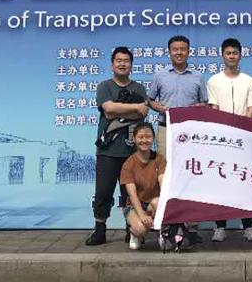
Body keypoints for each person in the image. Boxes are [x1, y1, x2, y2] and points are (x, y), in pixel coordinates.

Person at [86, 46, 149, 247]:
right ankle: (100, 229)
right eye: (118, 60)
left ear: (131, 65)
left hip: (132, 152)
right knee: (103, 191)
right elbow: (108, 109)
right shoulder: (104, 86)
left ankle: (131, 229)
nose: (122, 64)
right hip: (107, 151)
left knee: (130, 194)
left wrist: (122, 110)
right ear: (112, 64)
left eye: (126, 61)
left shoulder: (139, 88)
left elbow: (142, 114)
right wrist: (134, 107)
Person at [207, 37, 252, 242]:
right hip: (222, 139)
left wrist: (242, 129)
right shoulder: (214, 81)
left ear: (240, 55)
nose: (231, 56)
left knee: (245, 182)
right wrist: (225, 131)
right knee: (220, 183)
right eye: (228, 53)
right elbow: (214, 109)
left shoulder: (248, 80)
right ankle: (220, 226)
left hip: (244, 139)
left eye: (235, 53)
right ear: (222, 55)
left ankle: (248, 226)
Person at [148, 35, 208, 158]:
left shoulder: (198, 76)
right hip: (166, 128)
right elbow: (149, 100)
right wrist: (159, 108)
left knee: (189, 162)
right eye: (175, 49)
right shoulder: (160, 75)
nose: (179, 53)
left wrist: (199, 107)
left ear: (188, 52)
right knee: (164, 164)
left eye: (183, 49)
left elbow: (205, 103)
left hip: (190, 129)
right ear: (169, 52)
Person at [120, 122, 170, 250]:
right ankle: (135, 234)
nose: (144, 140)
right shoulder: (128, 164)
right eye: (140, 137)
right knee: (140, 229)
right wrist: (142, 215)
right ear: (134, 139)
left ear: (153, 138)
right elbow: (132, 195)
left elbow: (163, 185)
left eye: (148, 137)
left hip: (153, 202)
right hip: (134, 205)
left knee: (158, 202)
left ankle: (162, 232)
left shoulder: (160, 159)